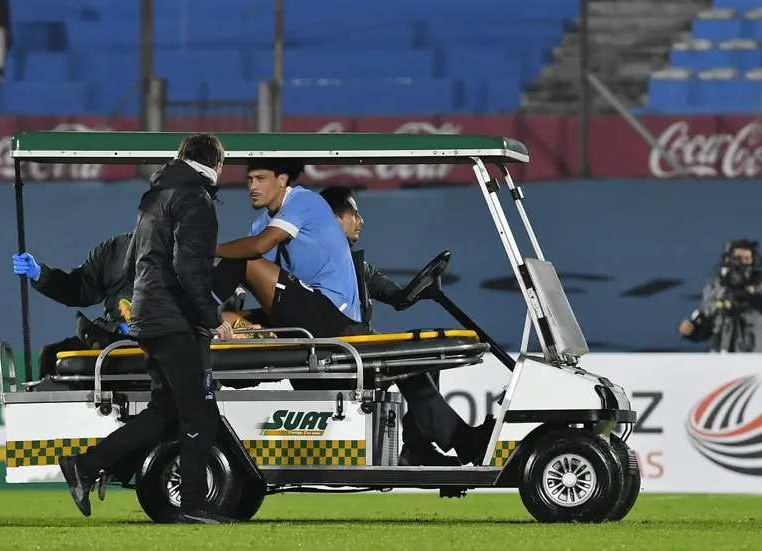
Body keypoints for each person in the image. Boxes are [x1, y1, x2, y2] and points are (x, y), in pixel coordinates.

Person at [58, 134, 235, 525]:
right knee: (199, 414)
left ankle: (85, 466)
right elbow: (189, 269)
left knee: (165, 411)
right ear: (216, 164)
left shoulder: (154, 197)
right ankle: (191, 505)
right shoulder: (196, 199)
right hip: (176, 319)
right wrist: (213, 318)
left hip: (149, 316)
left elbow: (129, 265)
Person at [319, 186, 495, 466]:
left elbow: (398, 297)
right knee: (409, 364)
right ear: (332, 219)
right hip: (338, 355)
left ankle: (417, 447)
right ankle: (463, 442)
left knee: (426, 355)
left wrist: (419, 289)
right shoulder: (317, 260)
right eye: (354, 214)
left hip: (358, 349)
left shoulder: (357, 265)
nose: (361, 221)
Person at [210, 159, 366, 339]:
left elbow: (258, 248)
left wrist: (209, 250)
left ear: (282, 180)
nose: (253, 186)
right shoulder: (260, 225)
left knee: (244, 258)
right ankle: (197, 316)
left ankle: (197, 309)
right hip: (301, 309)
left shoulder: (304, 200)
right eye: (250, 179)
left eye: (260, 179)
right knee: (221, 321)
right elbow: (254, 275)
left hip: (336, 315)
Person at [12, 233, 133, 379]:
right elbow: (80, 287)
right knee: (50, 355)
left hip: (161, 340)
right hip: (113, 338)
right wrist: (38, 273)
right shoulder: (112, 250)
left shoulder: (167, 252)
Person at [678, 238, 762, 352]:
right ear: (728, 259)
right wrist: (691, 330)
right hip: (723, 358)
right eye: (738, 258)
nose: (743, 263)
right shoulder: (717, 288)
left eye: (747, 258)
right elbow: (706, 323)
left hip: (758, 358)